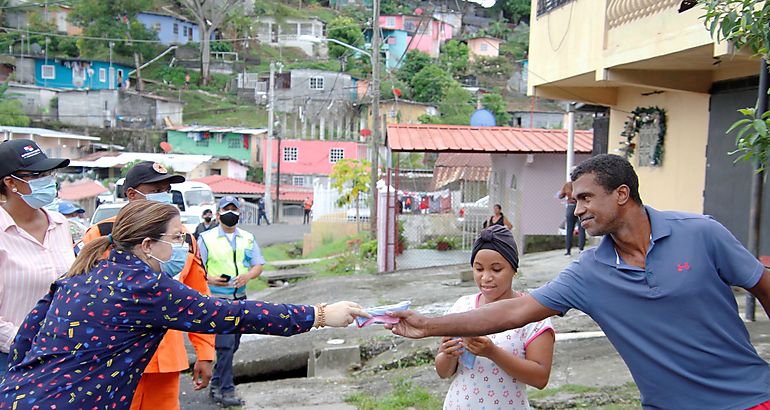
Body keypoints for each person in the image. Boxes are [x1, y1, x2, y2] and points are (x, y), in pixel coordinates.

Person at [387, 154, 770, 410]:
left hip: (751, 397)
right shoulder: (590, 272)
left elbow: (763, 285)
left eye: (586, 198)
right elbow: (517, 309)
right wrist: (429, 325)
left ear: (622, 194)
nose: (577, 209)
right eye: (574, 200)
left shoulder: (702, 233)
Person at [0, 201, 368, 409]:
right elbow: (228, 315)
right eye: (176, 238)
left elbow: (22, 343)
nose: (183, 246)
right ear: (147, 244)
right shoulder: (145, 287)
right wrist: (318, 314)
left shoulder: (81, 274)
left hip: (17, 396)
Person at [80, 161, 216, 410]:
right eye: (156, 189)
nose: (164, 195)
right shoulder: (100, 234)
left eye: (167, 189)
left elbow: (199, 298)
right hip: (113, 358)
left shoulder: (182, 238)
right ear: (132, 194)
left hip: (164, 359)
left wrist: (205, 351)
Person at [436, 225, 554, 409]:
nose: (486, 277)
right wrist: (448, 354)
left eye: (496, 269)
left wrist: (492, 352)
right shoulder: (461, 307)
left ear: (514, 269)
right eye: (479, 269)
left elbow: (540, 378)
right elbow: (444, 372)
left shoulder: (533, 314)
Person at [0, 139, 73, 378]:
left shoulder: (61, 225)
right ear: (10, 182)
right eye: (37, 175)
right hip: (8, 360)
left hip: (61, 355)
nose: (48, 180)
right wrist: (23, 342)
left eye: (49, 173)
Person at [198, 196, 263, 406]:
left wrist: (248, 276)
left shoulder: (248, 238)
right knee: (225, 346)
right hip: (218, 300)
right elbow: (197, 268)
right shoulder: (205, 238)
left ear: (239, 213)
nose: (231, 213)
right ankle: (227, 391)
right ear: (218, 214)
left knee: (232, 345)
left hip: (240, 298)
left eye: (234, 209)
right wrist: (209, 278)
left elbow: (257, 265)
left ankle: (216, 384)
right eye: (227, 209)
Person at [558, 180, 585, 255]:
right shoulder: (582, 183)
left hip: (570, 207)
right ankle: (581, 249)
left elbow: (560, 196)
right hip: (580, 206)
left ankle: (568, 251)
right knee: (581, 228)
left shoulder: (567, 185)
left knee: (569, 230)